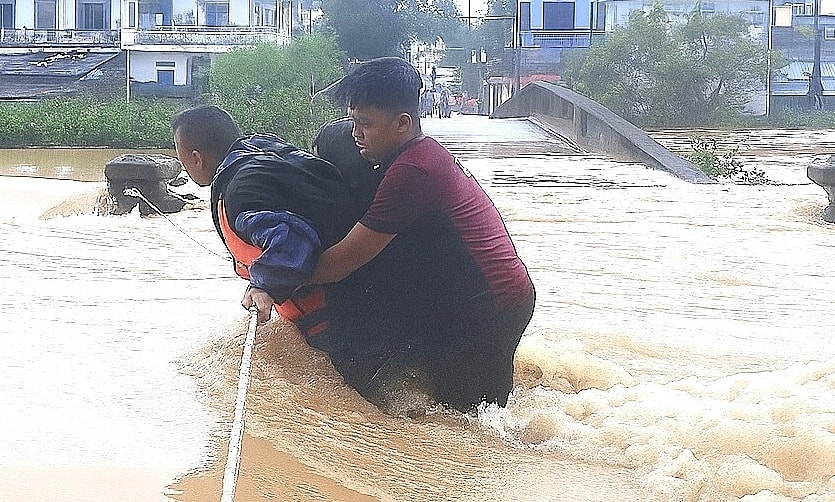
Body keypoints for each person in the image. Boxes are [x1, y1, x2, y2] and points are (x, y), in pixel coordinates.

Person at [171, 106, 431, 414]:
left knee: (386, 413)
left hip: (346, 322)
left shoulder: (239, 194)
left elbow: (293, 240)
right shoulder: (267, 149)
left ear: (196, 158)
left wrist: (264, 285)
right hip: (386, 292)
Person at [311, 57, 536, 412]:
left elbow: (342, 263)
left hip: (490, 305)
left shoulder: (414, 171)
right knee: (466, 406)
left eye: (365, 124)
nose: (356, 134)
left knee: (472, 422)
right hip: (486, 297)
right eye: (353, 122)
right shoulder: (417, 155)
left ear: (403, 123)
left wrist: (272, 274)